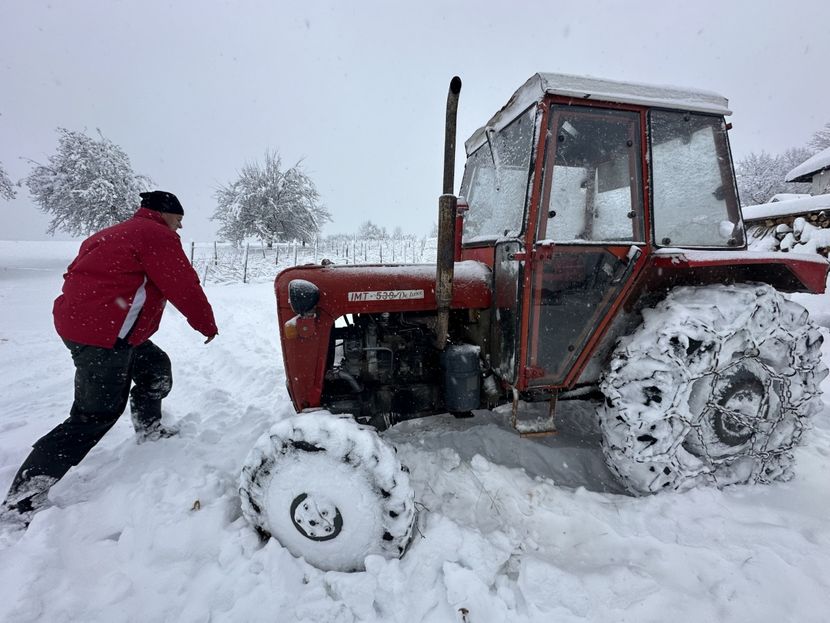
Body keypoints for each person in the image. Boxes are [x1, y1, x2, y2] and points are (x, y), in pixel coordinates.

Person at [0, 190, 218, 529]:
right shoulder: (155, 235)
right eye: (178, 221)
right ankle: (21, 501)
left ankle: (150, 429)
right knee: (94, 414)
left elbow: (77, 274)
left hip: (93, 328)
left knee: (155, 368)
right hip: (102, 337)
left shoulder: (111, 233)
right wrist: (205, 322)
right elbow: (182, 284)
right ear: (164, 214)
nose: (179, 228)